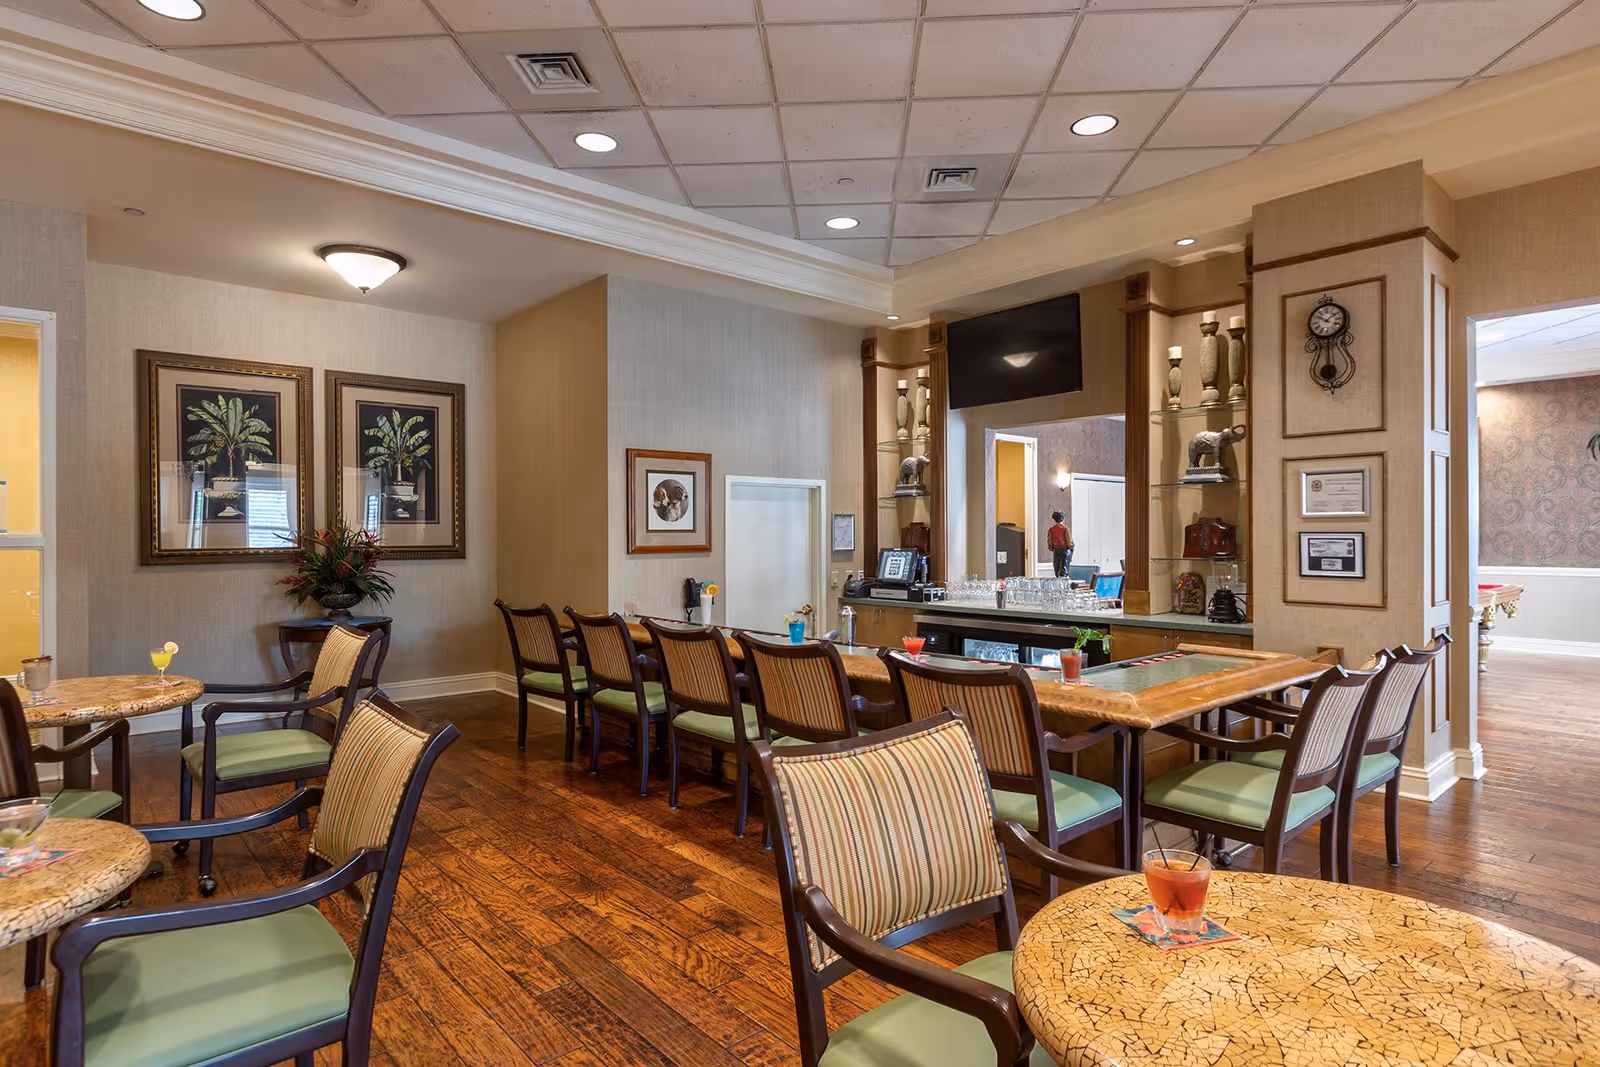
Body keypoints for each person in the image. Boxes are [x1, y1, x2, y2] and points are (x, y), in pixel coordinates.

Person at [1048, 510, 1074, 578]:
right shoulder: (1065, 529)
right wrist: (1072, 547)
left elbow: (1050, 543)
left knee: (1056, 570)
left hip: (1056, 551)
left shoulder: (1051, 529)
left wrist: (1051, 547)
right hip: (1065, 551)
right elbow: (1069, 543)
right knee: (1064, 570)